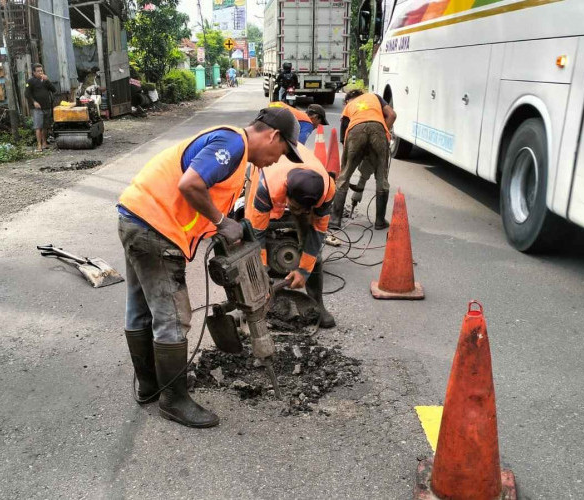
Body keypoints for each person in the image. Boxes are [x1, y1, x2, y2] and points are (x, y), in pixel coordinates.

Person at [116, 107, 302, 428]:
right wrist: (220, 221)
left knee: (140, 308)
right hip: (156, 228)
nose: (277, 160)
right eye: (282, 151)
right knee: (174, 316)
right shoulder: (234, 144)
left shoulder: (237, 155)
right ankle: (174, 399)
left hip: (135, 217)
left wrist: (225, 228)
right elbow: (190, 184)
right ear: (272, 136)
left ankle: (149, 386)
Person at [245, 144, 336, 328]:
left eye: (304, 209)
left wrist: (304, 270)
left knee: (313, 249)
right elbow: (258, 235)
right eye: (295, 207)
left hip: (302, 182)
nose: (298, 212)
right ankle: (251, 305)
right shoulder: (267, 187)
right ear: (286, 193)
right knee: (248, 237)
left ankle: (317, 304)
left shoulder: (327, 191)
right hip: (266, 173)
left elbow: (317, 234)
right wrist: (262, 274)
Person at [330, 89, 396, 230]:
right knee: (381, 178)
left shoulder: (348, 107)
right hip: (378, 129)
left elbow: (345, 141)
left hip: (355, 131)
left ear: (349, 100)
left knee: (344, 176)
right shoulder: (375, 97)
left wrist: (355, 156)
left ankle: (335, 220)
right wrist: (383, 132)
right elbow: (392, 115)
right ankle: (379, 221)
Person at [24, 63, 56, 153]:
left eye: (41, 71)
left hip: (47, 106)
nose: (40, 72)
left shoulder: (45, 81)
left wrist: (48, 80)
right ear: (34, 72)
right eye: (38, 71)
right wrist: (34, 102)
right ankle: (39, 144)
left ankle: (44, 143)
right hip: (37, 108)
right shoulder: (30, 81)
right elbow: (27, 94)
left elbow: (54, 90)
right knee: (38, 126)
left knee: (45, 126)